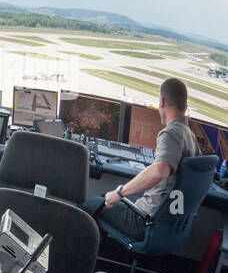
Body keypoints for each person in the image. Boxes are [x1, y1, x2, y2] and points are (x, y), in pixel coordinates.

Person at [83, 77, 199, 238]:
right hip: (165, 220)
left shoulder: (171, 132)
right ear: (185, 106)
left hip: (144, 220)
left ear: (163, 101)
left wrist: (120, 193)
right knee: (103, 199)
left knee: (85, 206)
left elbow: (160, 171)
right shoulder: (190, 136)